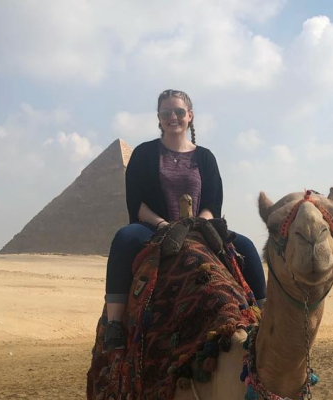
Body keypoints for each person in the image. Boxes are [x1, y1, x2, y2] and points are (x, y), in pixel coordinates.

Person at [104, 89, 266, 350]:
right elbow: (137, 204)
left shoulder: (205, 157)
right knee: (124, 238)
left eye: (179, 112)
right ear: (158, 117)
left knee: (246, 246)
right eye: (166, 112)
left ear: (190, 116)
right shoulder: (144, 154)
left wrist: (197, 223)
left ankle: (266, 318)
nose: (173, 117)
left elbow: (213, 202)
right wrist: (164, 225)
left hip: (199, 226)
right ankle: (114, 324)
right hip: (155, 227)